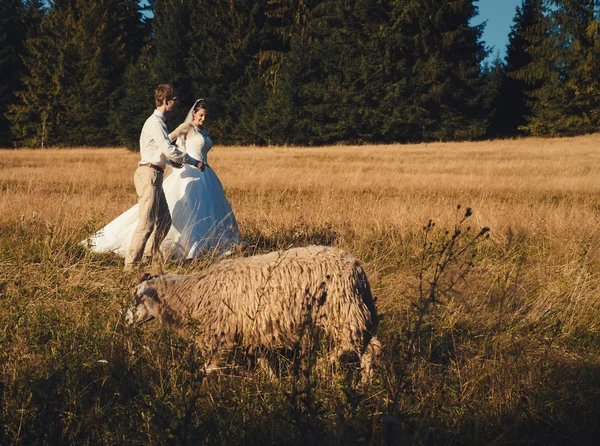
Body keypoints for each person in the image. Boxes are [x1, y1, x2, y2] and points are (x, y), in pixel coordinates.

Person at [83, 97, 240, 264]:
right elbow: (167, 142)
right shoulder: (186, 127)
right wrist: (177, 158)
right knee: (177, 211)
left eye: (206, 116)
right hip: (189, 171)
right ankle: (186, 248)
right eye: (201, 115)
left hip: (205, 173)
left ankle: (206, 245)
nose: (203, 119)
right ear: (194, 113)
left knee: (208, 208)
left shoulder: (205, 130)